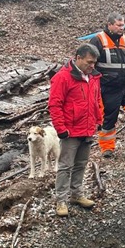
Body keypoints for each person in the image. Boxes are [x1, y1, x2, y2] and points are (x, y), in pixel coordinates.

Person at [48, 43, 103, 217]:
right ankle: (61, 200)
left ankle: (76, 194)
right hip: (70, 130)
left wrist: (99, 119)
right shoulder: (62, 77)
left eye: (94, 62)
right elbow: (54, 105)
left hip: (87, 128)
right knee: (65, 166)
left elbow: (96, 99)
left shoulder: (93, 77)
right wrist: (60, 128)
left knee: (81, 164)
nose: (92, 66)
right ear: (78, 58)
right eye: (89, 62)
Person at [90, 12, 125, 159]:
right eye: (118, 25)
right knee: (109, 117)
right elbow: (89, 64)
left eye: (123, 25)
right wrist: (102, 78)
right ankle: (107, 148)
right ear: (109, 24)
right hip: (109, 87)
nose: (121, 28)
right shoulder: (98, 40)